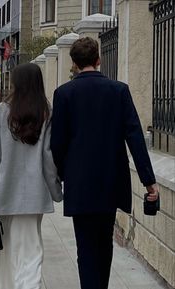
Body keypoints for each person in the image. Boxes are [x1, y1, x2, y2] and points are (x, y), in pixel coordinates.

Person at [50, 37, 159, 289]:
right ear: (98, 60)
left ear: (74, 63)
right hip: (111, 181)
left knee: (85, 246)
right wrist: (149, 181)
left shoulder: (63, 94)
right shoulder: (119, 91)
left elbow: (57, 143)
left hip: (79, 185)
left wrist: (64, 174)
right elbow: (135, 138)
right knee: (105, 242)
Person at [0, 63, 63, 289]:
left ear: (15, 83)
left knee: (7, 249)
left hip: (5, 191)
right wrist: (56, 191)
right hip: (34, 193)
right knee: (31, 250)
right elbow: (48, 158)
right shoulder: (45, 113)